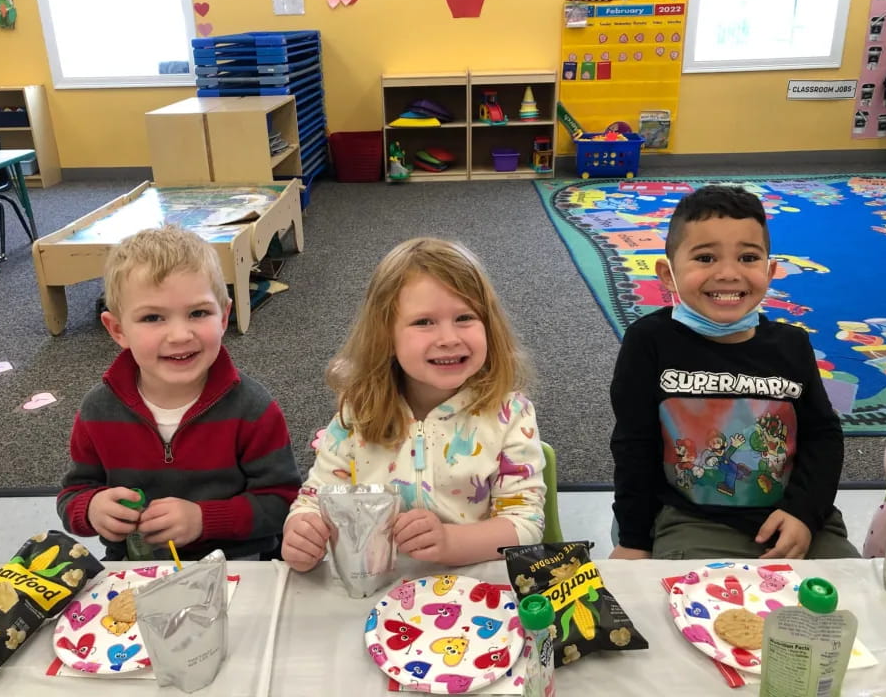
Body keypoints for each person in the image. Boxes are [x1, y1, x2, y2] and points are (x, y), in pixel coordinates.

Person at [609, 185, 858, 560]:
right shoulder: (649, 341)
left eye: (748, 257)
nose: (728, 273)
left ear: (770, 271)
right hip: (693, 520)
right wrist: (633, 540)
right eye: (706, 258)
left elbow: (823, 436)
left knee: (849, 603)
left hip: (794, 518)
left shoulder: (791, 345)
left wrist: (803, 514)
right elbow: (634, 445)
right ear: (667, 273)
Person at [282, 237, 546, 572]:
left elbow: (525, 526)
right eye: (424, 322)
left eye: (465, 317)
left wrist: (449, 543)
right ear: (385, 336)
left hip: (475, 586)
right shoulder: (359, 412)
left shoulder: (510, 416)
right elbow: (315, 499)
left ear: (489, 328)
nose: (449, 338)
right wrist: (301, 530)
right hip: (379, 584)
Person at [57, 224, 301, 560]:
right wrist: (92, 509)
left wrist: (204, 519)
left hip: (240, 565)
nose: (179, 335)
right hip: (135, 570)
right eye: (153, 317)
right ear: (117, 330)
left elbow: (283, 502)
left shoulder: (253, 409)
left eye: (198, 313)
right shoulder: (98, 411)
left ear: (223, 315)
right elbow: (73, 494)